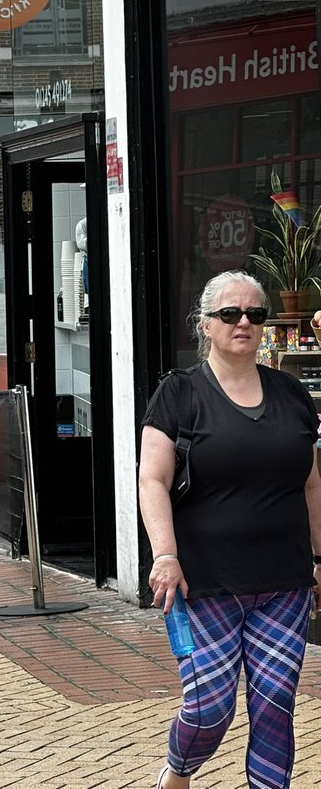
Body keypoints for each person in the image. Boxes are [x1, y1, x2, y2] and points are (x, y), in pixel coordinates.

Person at [139, 270, 321, 789]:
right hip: (204, 584)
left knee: (274, 709)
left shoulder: (291, 395)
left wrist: (320, 560)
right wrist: (165, 556)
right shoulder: (179, 394)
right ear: (206, 324)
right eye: (230, 313)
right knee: (207, 708)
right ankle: (178, 770)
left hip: (283, 584)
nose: (244, 322)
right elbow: (151, 479)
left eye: (255, 314)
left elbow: (311, 484)